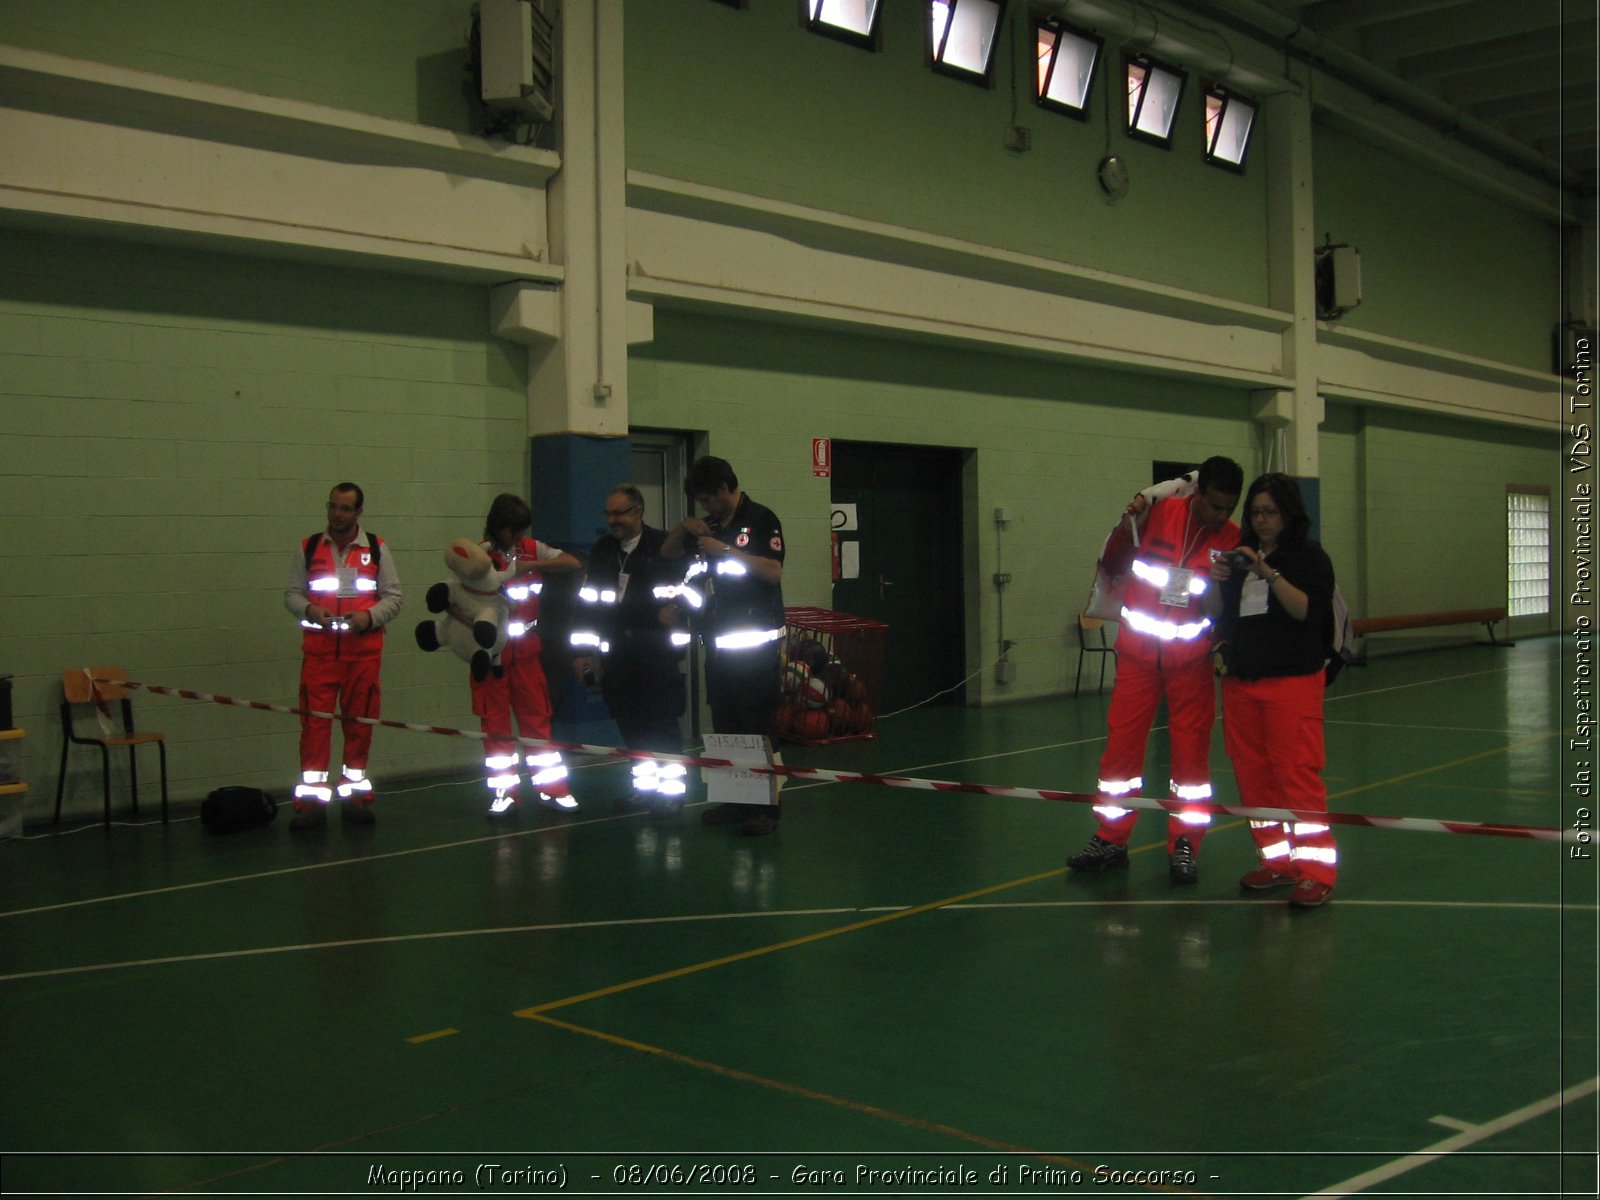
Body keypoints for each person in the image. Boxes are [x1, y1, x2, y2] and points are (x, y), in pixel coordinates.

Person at [1066, 456, 1243, 884]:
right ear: (1197, 493)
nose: (1221, 515)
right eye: (1214, 505)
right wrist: (1133, 515)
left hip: (1192, 664)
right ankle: (1111, 838)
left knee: (1191, 762)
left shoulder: (1234, 540)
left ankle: (1185, 844)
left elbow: (1229, 611)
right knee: (1121, 749)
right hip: (1138, 656)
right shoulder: (1156, 514)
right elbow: (1113, 563)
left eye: (1228, 508)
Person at [1208, 473, 1339, 909]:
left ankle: (1316, 871)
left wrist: (1268, 570)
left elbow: (1307, 610)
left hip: (1292, 684)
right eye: (1255, 513)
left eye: (1270, 512)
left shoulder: (1310, 557)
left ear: (1288, 514)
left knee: (1296, 776)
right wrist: (1216, 579)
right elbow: (1217, 616)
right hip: (1242, 683)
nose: (1261, 521)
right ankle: (1276, 862)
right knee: (1253, 777)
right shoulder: (1240, 559)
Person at [662, 456, 786, 837]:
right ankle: (735, 799)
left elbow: (773, 570)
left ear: (723, 489)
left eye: (708, 500)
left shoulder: (762, 518)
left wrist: (727, 552)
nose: (705, 507)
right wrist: (686, 527)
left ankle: (765, 808)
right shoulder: (709, 526)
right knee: (726, 726)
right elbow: (667, 554)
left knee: (757, 726)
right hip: (716, 647)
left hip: (756, 650)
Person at [284, 482, 403, 831]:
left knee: (359, 729)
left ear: (358, 513)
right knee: (315, 730)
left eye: (345, 508)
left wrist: (368, 618)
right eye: (333, 506)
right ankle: (311, 804)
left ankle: (355, 800)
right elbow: (291, 594)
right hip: (319, 656)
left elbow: (394, 597)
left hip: (363, 656)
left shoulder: (377, 550)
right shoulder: (308, 548)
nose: (337, 513)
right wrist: (308, 609)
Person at [571, 485, 691, 814]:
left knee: (661, 726)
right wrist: (582, 651)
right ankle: (645, 790)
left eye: (619, 513)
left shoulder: (662, 547)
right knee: (632, 726)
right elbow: (588, 603)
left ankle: (672, 795)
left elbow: (681, 596)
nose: (613, 520)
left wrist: (673, 614)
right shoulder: (603, 550)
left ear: (638, 512)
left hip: (655, 655)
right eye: (609, 514)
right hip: (617, 655)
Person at [472, 493, 582, 819]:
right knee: (496, 728)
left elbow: (573, 563)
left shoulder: (531, 549)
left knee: (537, 722)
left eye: (522, 530)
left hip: (528, 653)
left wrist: (531, 565)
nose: (518, 536)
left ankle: (552, 789)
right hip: (493, 656)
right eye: (512, 530)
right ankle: (505, 794)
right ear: (498, 526)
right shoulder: (480, 556)